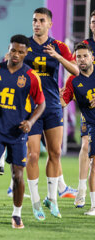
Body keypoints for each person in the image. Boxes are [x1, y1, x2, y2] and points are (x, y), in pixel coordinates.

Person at [0, 34, 45, 229]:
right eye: (13, 50)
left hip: (18, 132)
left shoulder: (31, 76)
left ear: (26, 53)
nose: (15, 54)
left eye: (20, 52)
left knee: (17, 176)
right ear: (9, 48)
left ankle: (16, 214)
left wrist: (31, 122)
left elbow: (41, 103)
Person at [24, 7, 79, 220]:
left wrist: (57, 56)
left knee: (55, 153)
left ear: (50, 24)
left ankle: (52, 199)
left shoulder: (59, 46)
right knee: (33, 154)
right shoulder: (24, 45)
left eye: (41, 20)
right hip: (30, 108)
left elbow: (75, 71)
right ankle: (36, 202)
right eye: (34, 20)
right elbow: (9, 66)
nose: (36, 24)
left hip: (53, 105)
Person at [61, 42, 95, 216]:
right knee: (90, 153)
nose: (81, 59)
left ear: (92, 58)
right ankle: (84, 193)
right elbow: (62, 102)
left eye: (85, 56)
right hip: (90, 121)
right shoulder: (73, 80)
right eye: (78, 56)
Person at [73, 10, 95, 208]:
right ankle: (81, 192)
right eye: (93, 22)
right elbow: (76, 69)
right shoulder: (86, 46)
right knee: (86, 145)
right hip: (89, 103)